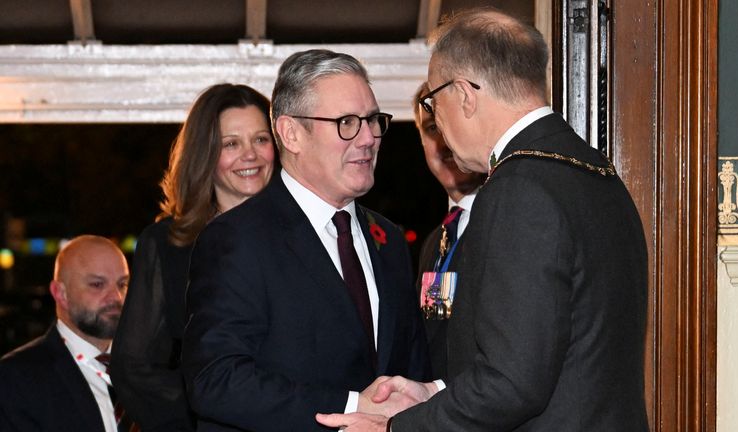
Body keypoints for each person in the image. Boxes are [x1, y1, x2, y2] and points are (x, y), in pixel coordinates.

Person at [317, 8, 649, 432]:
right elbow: (551, 358)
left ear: (465, 95)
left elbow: (513, 386)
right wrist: (435, 392)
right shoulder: (596, 174)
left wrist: (397, 428)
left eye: (433, 102)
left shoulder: (518, 188)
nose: (436, 118)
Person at [181, 49, 430, 431]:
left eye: (372, 120)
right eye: (347, 122)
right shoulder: (236, 239)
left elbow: (409, 367)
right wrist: (349, 405)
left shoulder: (390, 240)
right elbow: (216, 379)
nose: (368, 138)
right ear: (291, 133)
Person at [110, 84, 276, 431]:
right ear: (205, 153)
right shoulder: (166, 244)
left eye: (261, 139)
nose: (251, 155)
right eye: (231, 143)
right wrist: (208, 411)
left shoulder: (306, 237)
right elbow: (133, 367)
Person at [0, 235, 131, 432]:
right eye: (97, 284)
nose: (116, 297)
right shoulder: (16, 379)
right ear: (61, 293)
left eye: (122, 284)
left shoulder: (151, 366)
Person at [412, 82, 484, 379]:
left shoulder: (503, 224)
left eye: (451, 124)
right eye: (431, 129)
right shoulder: (435, 241)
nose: (444, 141)